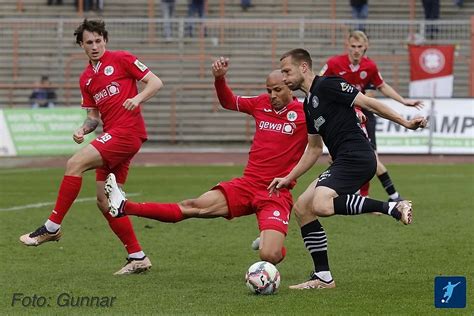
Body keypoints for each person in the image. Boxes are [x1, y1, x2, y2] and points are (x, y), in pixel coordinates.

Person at [104, 56, 309, 265]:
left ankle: (270, 241)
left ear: (290, 87)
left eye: (277, 90)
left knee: (269, 255)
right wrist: (219, 79)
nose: (272, 95)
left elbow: (321, 140)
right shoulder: (260, 103)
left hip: (276, 192)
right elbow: (228, 101)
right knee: (192, 206)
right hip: (247, 185)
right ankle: (124, 205)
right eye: (269, 90)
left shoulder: (304, 113)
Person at [269, 48, 427, 289]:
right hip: (344, 159)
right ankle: (323, 277)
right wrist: (288, 177)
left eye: (287, 71)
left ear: (303, 67)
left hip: (358, 156)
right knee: (302, 208)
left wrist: (405, 122)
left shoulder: (328, 85)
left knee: (321, 204)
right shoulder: (309, 104)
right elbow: (313, 149)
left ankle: (393, 207)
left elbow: (369, 103)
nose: (284, 77)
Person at [19, 19, 163, 275]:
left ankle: (52, 227)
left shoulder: (122, 58)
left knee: (74, 163)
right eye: (89, 42)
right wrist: (83, 129)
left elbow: (155, 82)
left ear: (105, 40)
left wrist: (137, 98)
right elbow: (93, 117)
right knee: (106, 200)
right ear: (81, 45)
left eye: (98, 41)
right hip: (112, 135)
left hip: (127, 133)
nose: (95, 46)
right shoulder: (86, 79)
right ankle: (137, 256)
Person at [319, 30, 423, 201]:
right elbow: (317, 83)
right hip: (342, 117)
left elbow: (382, 86)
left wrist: (403, 101)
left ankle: (390, 196)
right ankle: (360, 195)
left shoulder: (370, 67)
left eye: (359, 46)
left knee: (370, 158)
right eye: (353, 46)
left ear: (366, 46)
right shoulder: (333, 64)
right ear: (347, 46)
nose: (356, 50)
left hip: (364, 116)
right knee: (339, 158)